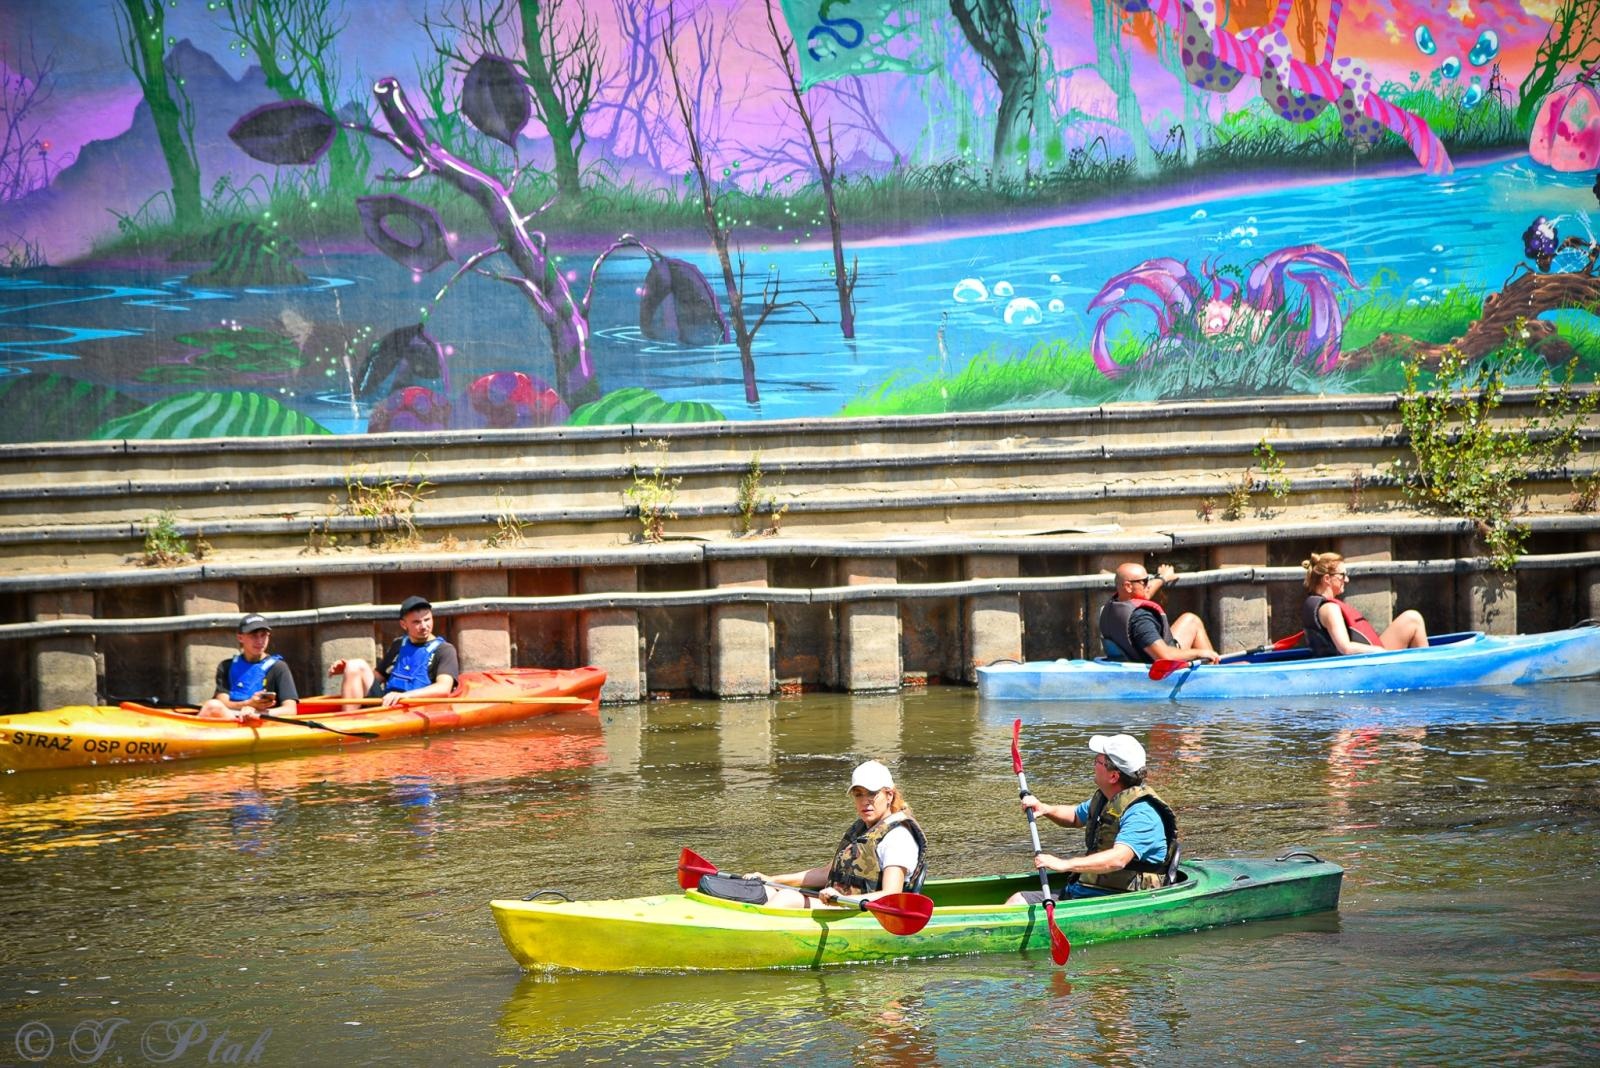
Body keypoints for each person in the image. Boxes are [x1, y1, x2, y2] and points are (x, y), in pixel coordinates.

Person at [1004, 734, 1178, 905]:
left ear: (1113, 776)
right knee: (1017, 899)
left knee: (1017, 901)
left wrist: (1064, 864)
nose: (1093, 763)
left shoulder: (1142, 815)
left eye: (1098, 761)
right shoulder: (1108, 799)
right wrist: (1045, 808)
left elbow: (1118, 859)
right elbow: (1075, 816)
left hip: (1118, 900)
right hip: (1087, 890)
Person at [743, 760, 928, 909]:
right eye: (858, 794)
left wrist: (841, 898)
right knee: (768, 892)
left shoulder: (898, 837)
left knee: (786, 898)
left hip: (861, 912)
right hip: (838, 904)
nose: (865, 801)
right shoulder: (864, 829)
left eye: (872, 794)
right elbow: (826, 873)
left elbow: (892, 895)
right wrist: (771, 879)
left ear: (889, 795)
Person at [328, 595, 459, 707]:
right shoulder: (399, 644)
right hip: (387, 703)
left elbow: (444, 689)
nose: (424, 626)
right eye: (416, 622)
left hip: (415, 706)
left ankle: (350, 725)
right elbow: (376, 678)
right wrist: (351, 671)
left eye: (427, 620)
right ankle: (349, 722)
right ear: (403, 624)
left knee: (356, 666)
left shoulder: (445, 650)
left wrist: (405, 696)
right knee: (355, 665)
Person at [1302, 551, 1428, 657]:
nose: (1347, 580)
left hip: (1358, 659)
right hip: (1359, 665)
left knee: (1411, 618)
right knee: (1414, 619)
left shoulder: (1314, 603)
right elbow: (1345, 648)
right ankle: (1427, 670)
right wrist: (1382, 652)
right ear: (1327, 579)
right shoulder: (1330, 609)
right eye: (1342, 575)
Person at [1098, 561, 1219, 665]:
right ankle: (1213, 674)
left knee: (1190, 620)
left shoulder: (1113, 605)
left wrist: (1162, 578)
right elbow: (1164, 656)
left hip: (1133, 657)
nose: (1148, 585)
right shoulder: (1140, 619)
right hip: (1158, 668)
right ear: (1128, 586)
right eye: (1144, 581)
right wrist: (1200, 653)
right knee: (1195, 626)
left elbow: (1146, 593)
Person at [198, 614, 300, 721]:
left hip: (262, 722)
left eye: (263, 635)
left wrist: (257, 713)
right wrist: (248, 704)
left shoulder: (279, 667)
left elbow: (291, 709)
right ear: (240, 638)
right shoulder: (226, 666)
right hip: (232, 718)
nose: (260, 641)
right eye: (254, 636)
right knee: (212, 706)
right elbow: (222, 702)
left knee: (212, 706)